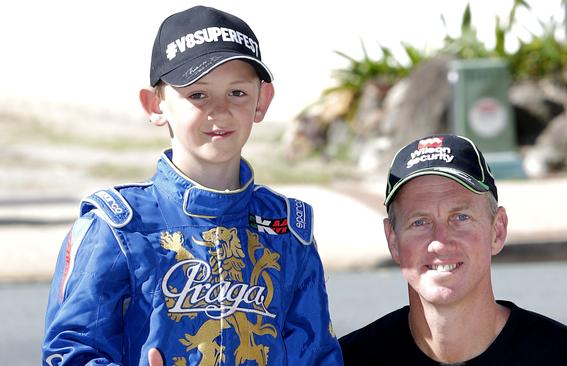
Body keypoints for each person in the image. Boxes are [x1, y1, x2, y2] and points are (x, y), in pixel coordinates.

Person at [42, 6, 343, 365]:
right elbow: (70, 353)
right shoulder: (116, 227)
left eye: (238, 93)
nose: (220, 110)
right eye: (197, 95)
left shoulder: (288, 230)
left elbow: (317, 355)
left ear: (262, 101)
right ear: (155, 105)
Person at [338, 134, 567, 365]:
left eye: (461, 218)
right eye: (419, 222)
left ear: (497, 230)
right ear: (393, 241)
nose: (440, 241)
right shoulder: (348, 360)